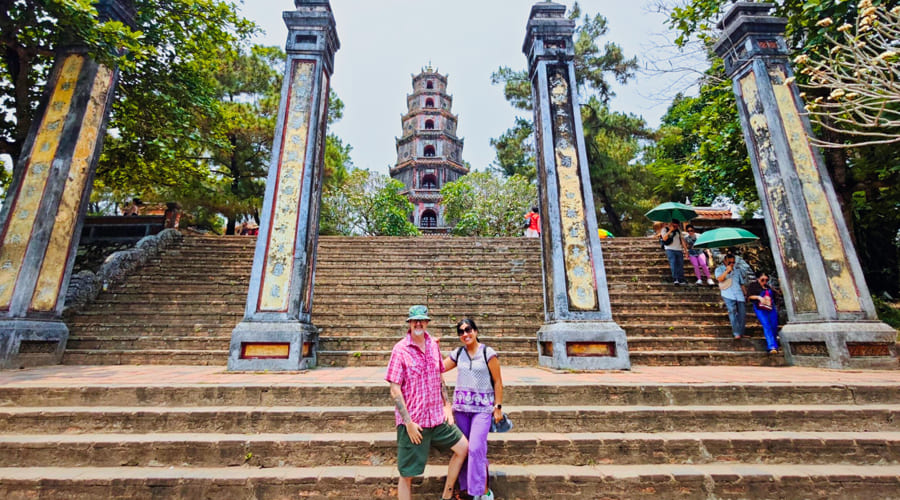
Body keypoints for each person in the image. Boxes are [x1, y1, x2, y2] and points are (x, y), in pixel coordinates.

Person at [386, 305, 468, 500]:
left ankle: (446, 496)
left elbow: (439, 377)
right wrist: (408, 423)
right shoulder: (400, 350)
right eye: (415, 320)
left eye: (422, 320)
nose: (419, 323)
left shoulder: (433, 345)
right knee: (407, 474)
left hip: (437, 418)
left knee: (464, 447)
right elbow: (394, 389)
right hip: (414, 423)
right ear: (409, 323)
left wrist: (447, 406)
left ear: (427, 322)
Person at [443, 318, 503, 500]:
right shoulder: (458, 354)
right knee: (465, 449)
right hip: (461, 409)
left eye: (468, 330)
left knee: (476, 448)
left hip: (482, 409)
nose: (465, 334)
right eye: (460, 332)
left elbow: (498, 382)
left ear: (475, 331)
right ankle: (465, 488)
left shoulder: (488, 353)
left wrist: (498, 407)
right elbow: (438, 367)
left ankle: (481, 492)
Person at [715, 253, 747, 339]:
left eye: (733, 262)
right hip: (727, 293)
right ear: (725, 261)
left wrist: (745, 293)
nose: (732, 264)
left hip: (739, 293)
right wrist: (727, 271)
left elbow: (741, 283)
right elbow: (719, 279)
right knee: (732, 311)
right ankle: (736, 333)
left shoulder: (737, 270)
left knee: (742, 314)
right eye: (730, 262)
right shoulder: (719, 269)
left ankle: (741, 332)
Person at [746, 272, 780, 354]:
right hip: (760, 308)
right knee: (766, 325)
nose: (764, 282)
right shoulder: (753, 286)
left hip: (771, 308)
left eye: (766, 280)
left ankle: (774, 343)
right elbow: (749, 297)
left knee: (774, 325)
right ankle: (771, 346)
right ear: (758, 279)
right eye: (762, 280)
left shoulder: (768, 287)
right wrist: (759, 297)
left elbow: (778, 294)